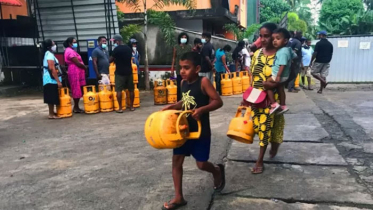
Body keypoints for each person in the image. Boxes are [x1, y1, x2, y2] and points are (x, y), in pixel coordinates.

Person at [161, 52, 225, 210]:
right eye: (181, 67)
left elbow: (218, 101)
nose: (182, 71)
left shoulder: (203, 82)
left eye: (186, 68)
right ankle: (178, 197)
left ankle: (216, 171)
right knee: (176, 161)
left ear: (197, 68)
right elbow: (186, 101)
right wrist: (173, 106)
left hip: (200, 131)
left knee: (202, 164)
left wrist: (202, 110)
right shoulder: (183, 83)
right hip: (182, 129)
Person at [246, 23, 285, 174]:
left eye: (266, 36)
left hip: (271, 99)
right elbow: (253, 77)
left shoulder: (280, 55)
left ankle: (260, 160)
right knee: (259, 127)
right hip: (256, 97)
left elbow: (284, 78)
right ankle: (273, 145)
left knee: (264, 127)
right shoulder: (256, 54)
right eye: (261, 36)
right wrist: (247, 96)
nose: (262, 39)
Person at [264, 28, 294, 115]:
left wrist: (278, 76)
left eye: (278, 38)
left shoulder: (282, 52)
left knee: (266, 84)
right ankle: (283, 105)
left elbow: (282, 65)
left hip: (278, 75)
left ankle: (274, 104)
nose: (274, 41)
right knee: (280, 89)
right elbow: (294, 56)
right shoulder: (288, 50)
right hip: (285, 76)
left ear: (285, 41)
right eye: (273, 39)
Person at [109, 34, 135, 112]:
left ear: (118, 41)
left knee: (119, 90)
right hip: (129, 72)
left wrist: (113, 57)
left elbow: (110, 60)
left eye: (114, 41)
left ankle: (120, 108)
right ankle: (131, 106)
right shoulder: (128, 48)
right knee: (131, 90)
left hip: (120, 72)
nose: (114, 43)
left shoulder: (116, 50)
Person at [63, 37, 87, 113]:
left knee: (79, 88)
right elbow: (77, 62)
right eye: (74, 42)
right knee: (76, 88)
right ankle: (76, 107)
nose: (76, 43)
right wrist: (85, 67)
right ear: (70, 43)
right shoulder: (69, 51)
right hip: (74, 71)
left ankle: (77, 107)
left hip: (78, 71)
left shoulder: (72, 50)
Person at [42, 39, 63, 119]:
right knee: (51, 96)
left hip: (49, 79)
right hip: (50, 79)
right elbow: (51, 68)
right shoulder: (49, 55)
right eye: (53, 44)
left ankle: (52, 112)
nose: (55, 45)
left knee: (52, 95)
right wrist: (58, 81)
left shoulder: (49, 54)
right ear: (49, 46)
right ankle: (51, 114)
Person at [171, 32, 192, 101]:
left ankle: (187, 99)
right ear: (180, 38)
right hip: (179, 69)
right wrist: (172, 69)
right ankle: (179, 100)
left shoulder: (189, 47)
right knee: (179, 85)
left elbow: (191, 57)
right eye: (182, 37)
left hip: (187, 68)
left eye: (185, 37)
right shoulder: (176, 47)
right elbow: (174, 58)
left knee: (187, 84)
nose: (184, 39)